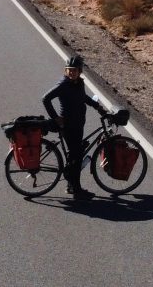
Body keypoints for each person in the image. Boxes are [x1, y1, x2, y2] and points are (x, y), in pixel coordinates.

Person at [42, 54, 108, 200]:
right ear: (65, 71)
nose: (71, 72)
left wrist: (98, 107)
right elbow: (45, 98)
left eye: (74, 70)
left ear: (79, 71)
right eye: (69, 70)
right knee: (76, 157)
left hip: (78, 124)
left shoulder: (78, 83)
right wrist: (56, 118)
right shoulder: (63, 84)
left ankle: (71, 185)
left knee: (75, 155)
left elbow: (83, 97)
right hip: (69, 126)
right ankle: (76, 190)